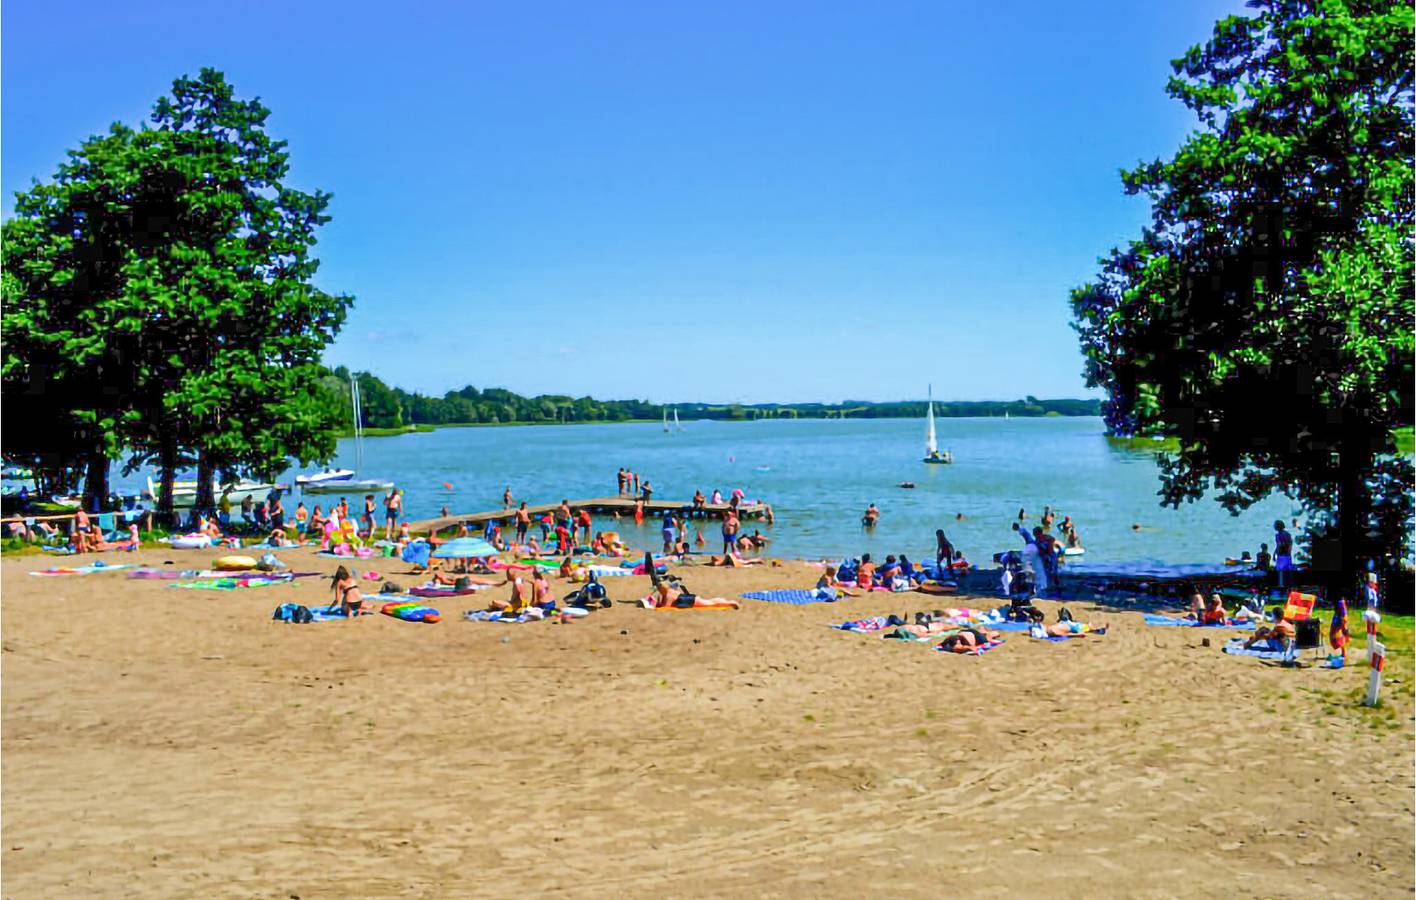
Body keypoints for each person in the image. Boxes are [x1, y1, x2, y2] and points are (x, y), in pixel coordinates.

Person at [1272, 520, 1295, 589]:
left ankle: (1283, 586)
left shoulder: (1281, 535)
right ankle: (1287, 586)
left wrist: (1276, 554)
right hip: (1284, 555)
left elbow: (1281, 545)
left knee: (1282, 571)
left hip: (1283, 555)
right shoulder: (1286, 534)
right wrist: (1275, 553)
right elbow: (1288, 544)